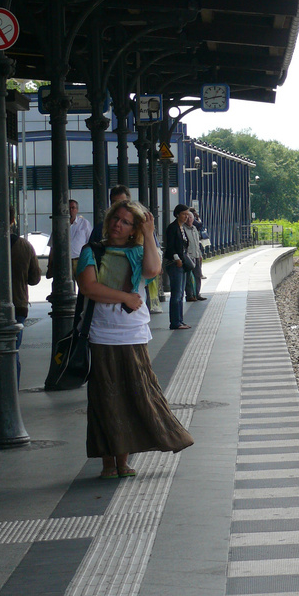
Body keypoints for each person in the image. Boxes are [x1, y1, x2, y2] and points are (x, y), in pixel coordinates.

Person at [76, 200, 193, 479]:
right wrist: (126, 297)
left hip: (133, 334)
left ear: (134, 229)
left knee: (136, 394)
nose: (118, 224)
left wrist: (150, 233)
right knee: (105, 399)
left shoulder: (139, 252)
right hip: (101, 334)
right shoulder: (92, 251)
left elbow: (153, 271)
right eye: (116, 218)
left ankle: (124, 460)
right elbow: (89, 287)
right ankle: (108, 463)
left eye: (126, 222)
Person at [0, 205, 42, 396]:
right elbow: (35, 279)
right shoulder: (24, 246)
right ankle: (10, 394)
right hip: (18, 306)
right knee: (12, 352)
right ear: (13, 221)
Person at [47, 199, 92, 279]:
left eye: (73, 208)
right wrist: (50, 265)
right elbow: (52, 247)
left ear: (77, 210)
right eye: (69, 208)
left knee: (83, 287)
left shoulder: (84, 224)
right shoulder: (59, 225)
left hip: (79, 260)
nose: (70, 210)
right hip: (63, 261)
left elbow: (90, 242)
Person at [163, 204, 192, 331]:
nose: (186, 217)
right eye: (184, 214)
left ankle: (179, 320)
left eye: (187, 214)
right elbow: (170, 246)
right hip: (175, 264)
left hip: (182, 263)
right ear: (177, 214)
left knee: (181, 294)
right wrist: (177, 259)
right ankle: (175, 322)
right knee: (176, 293)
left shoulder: (182, 228)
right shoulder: (172, 228)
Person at [184, 211, 205, 302]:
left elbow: (197, 243)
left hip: (196, 255)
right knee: (189, 277)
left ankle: (197, 293)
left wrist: (200, 254)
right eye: (187, 217)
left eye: (191, 218)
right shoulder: (183, 229)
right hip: (188, 256)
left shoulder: (194, 229)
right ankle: (190, 295)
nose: (189, 219)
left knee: (198, 275)